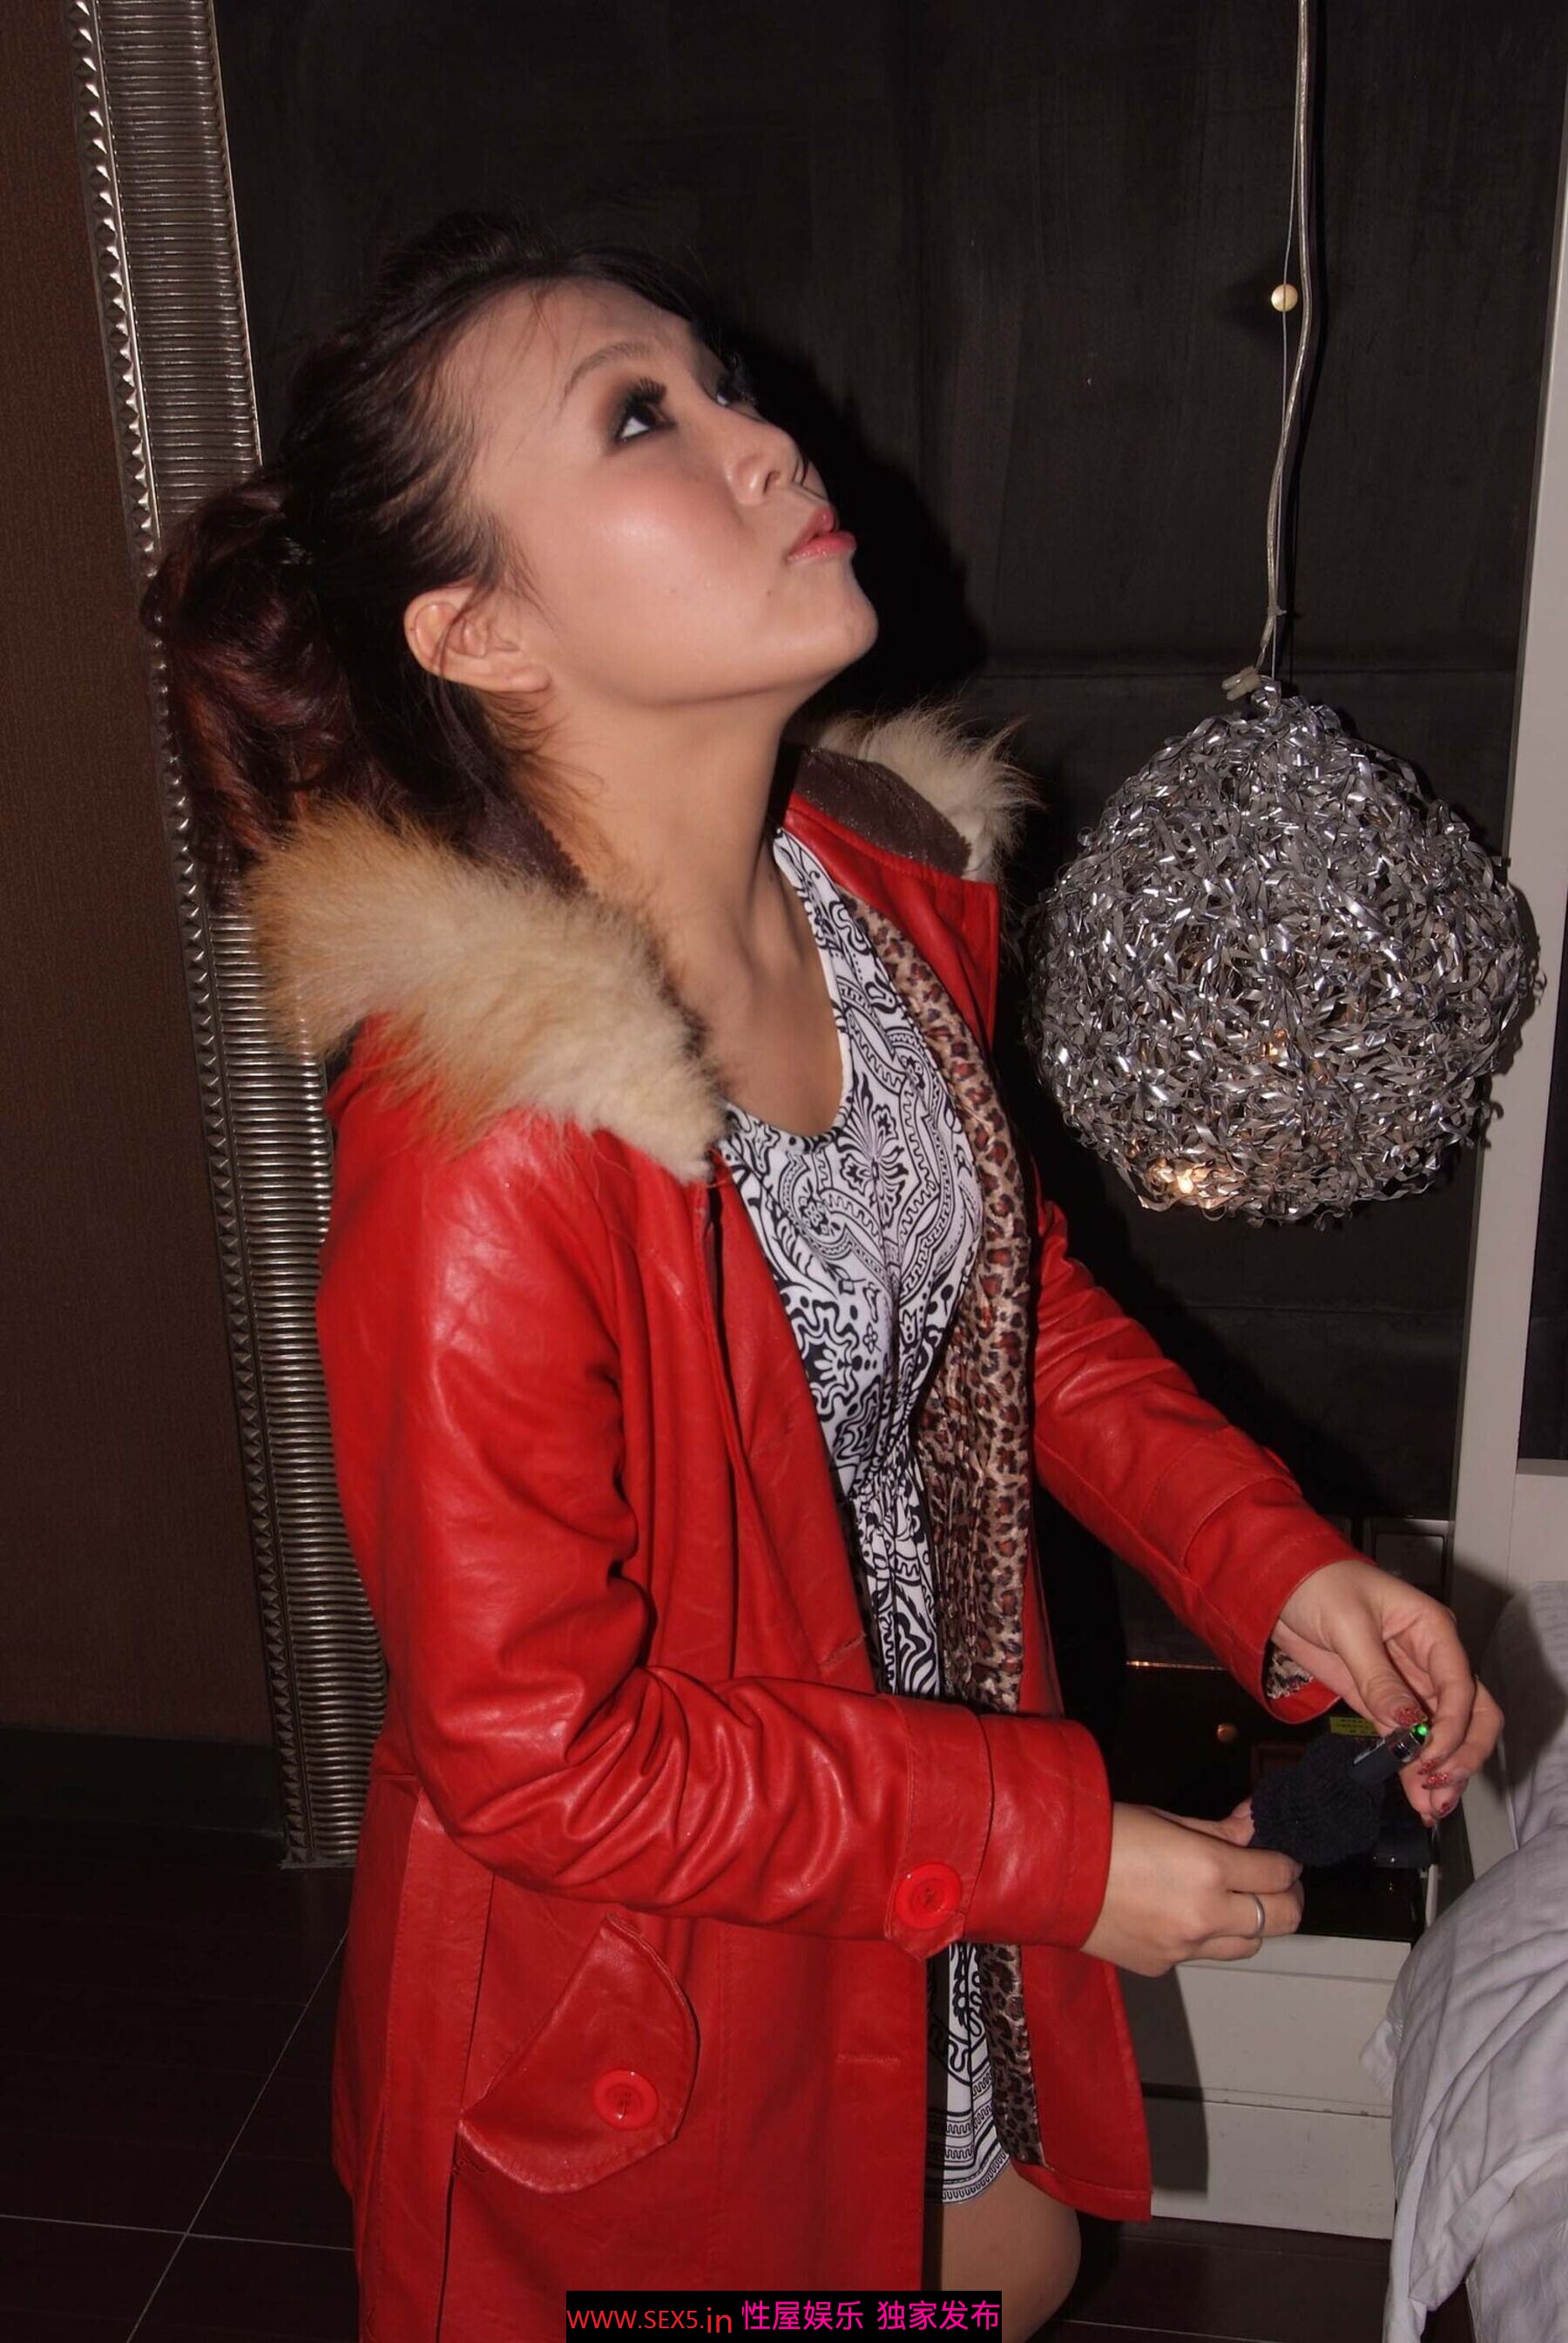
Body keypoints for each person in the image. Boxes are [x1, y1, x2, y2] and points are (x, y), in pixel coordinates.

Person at [140, 207, 1503, 2342]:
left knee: (1008, 2262)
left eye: (725, 387)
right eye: (640, 420)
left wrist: (1270, 1560)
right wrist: (1059, 1850)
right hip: (669, 1983)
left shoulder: (871, 893)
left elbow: (998, 1303)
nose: (766, 440)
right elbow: (539, 1757)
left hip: (902, 1877)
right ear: (483, 631)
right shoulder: (480, 1135)